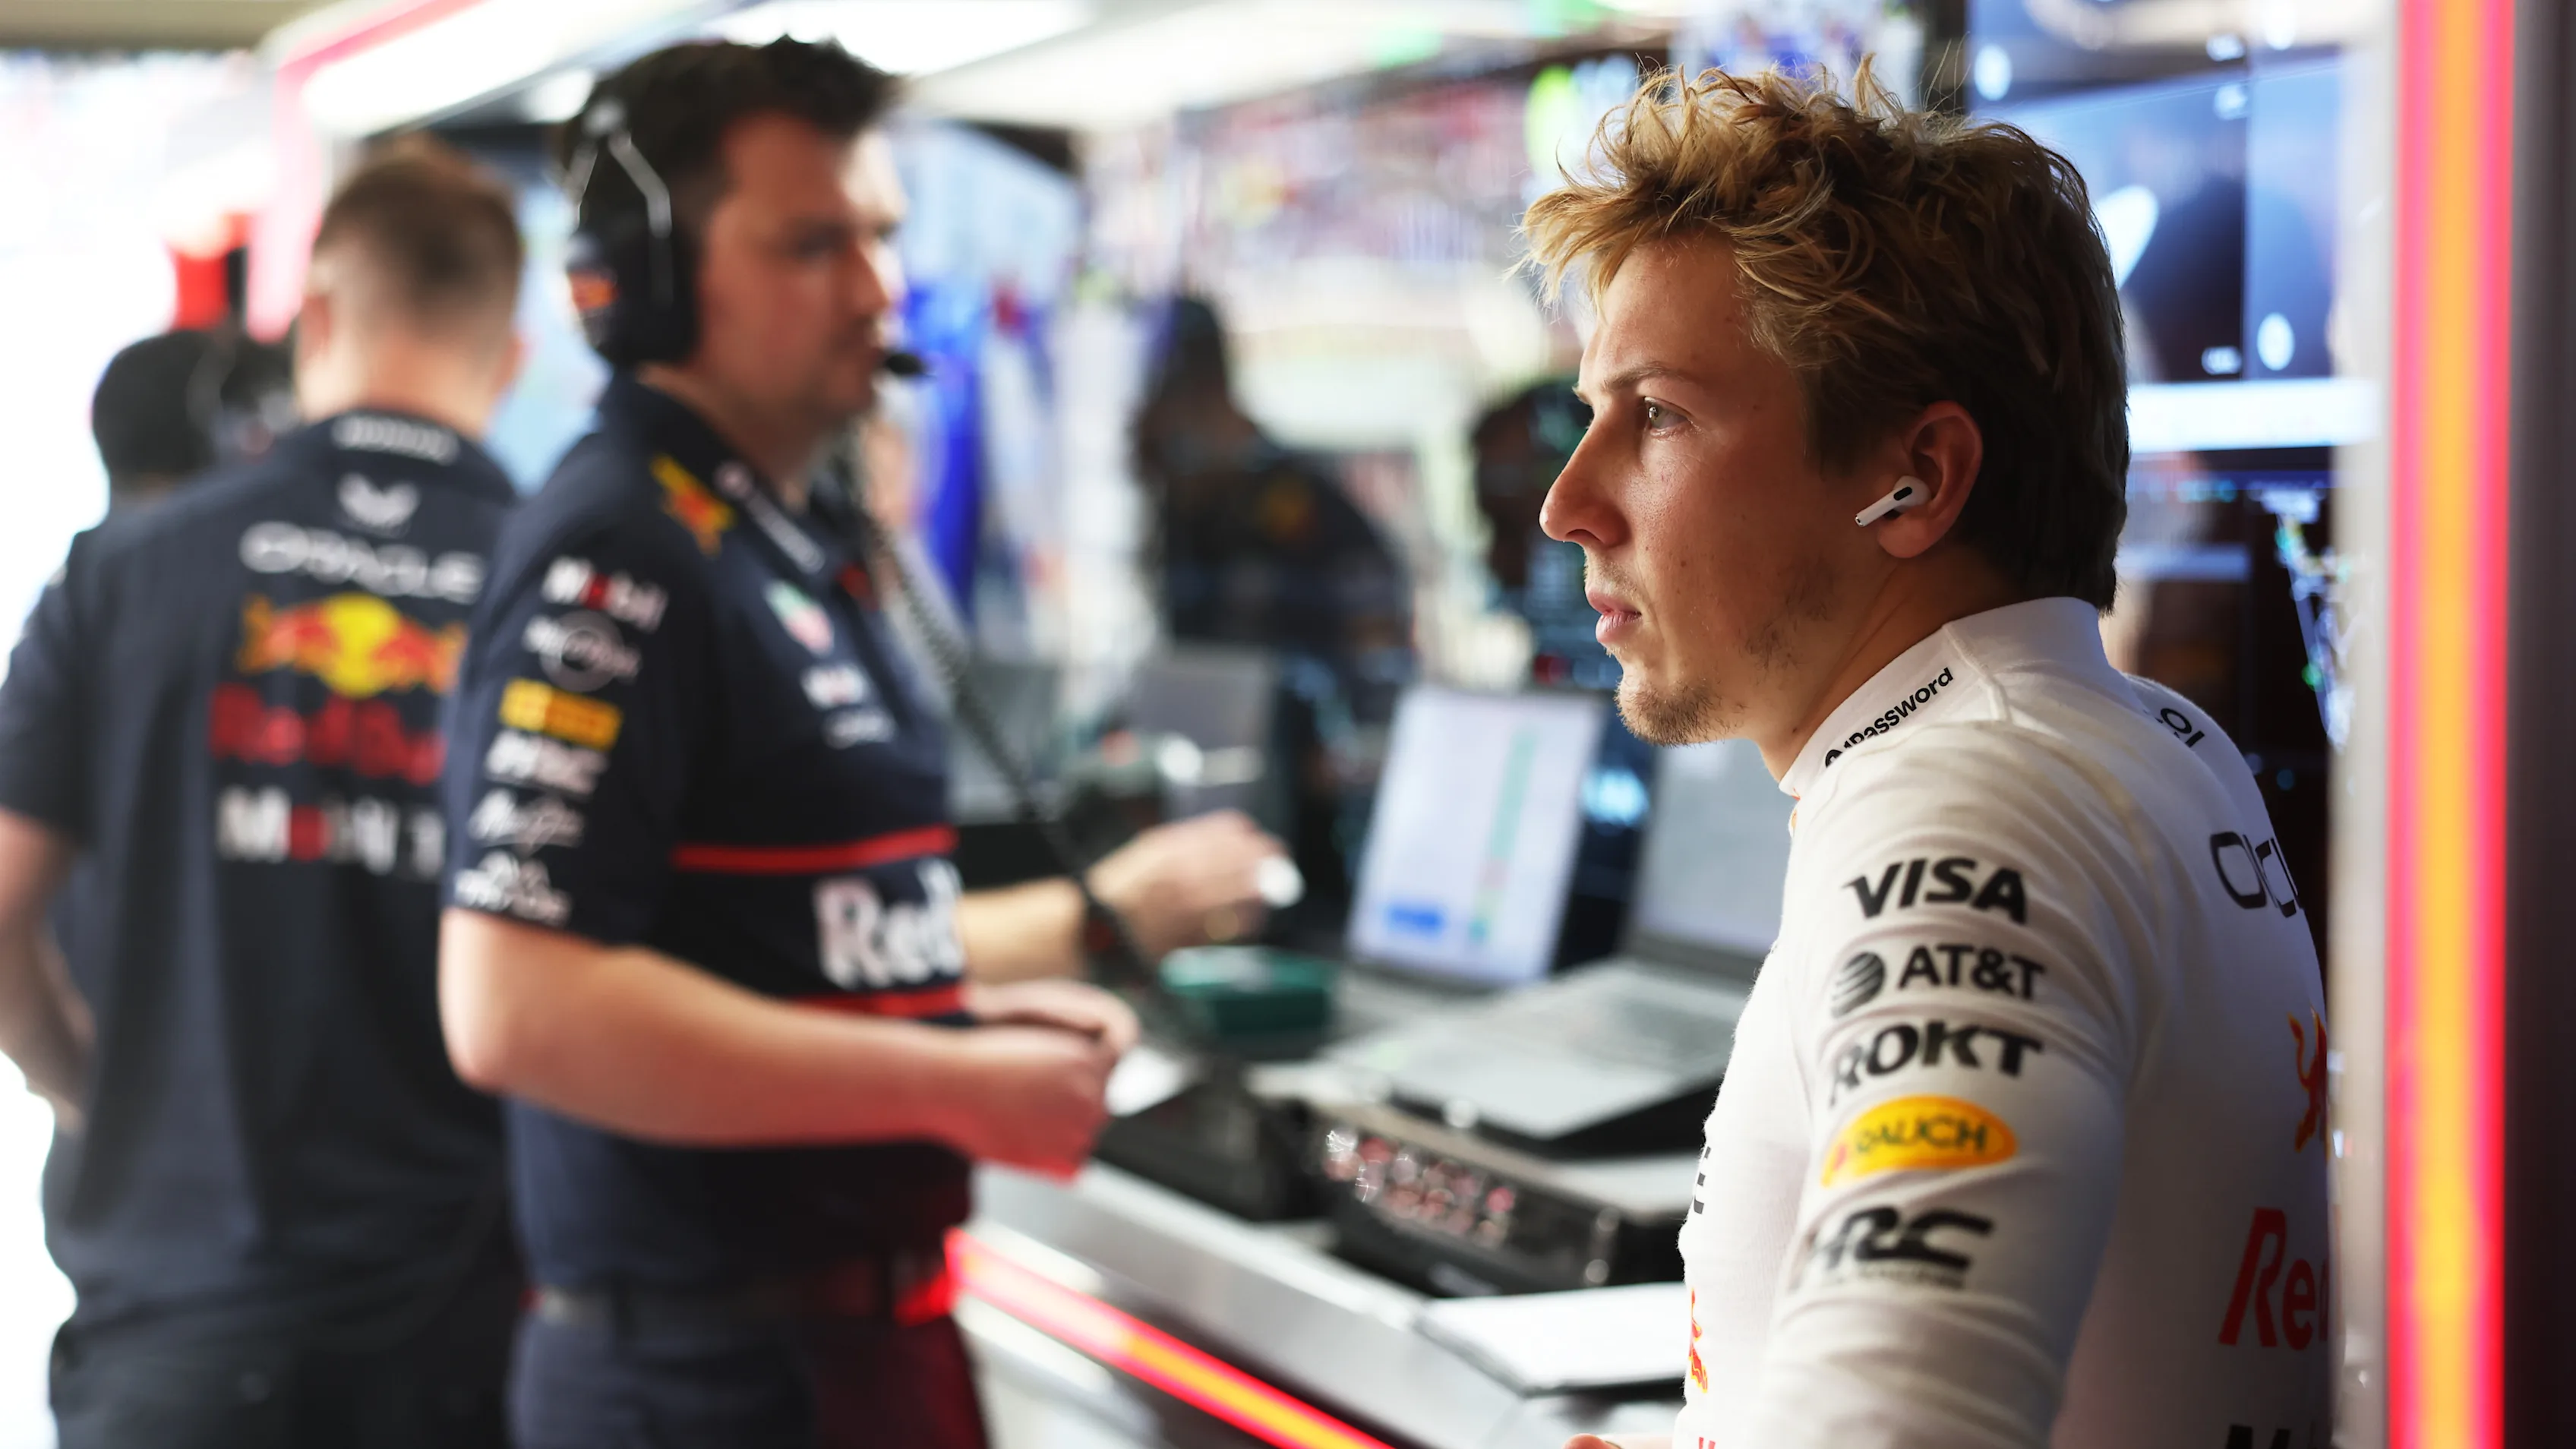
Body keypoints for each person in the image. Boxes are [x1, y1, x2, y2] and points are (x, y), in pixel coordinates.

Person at [431, 39, 1283, 1449]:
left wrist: (965, 1008)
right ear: (642, 281)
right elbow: (515, 1004)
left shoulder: (787, 534)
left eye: (880, 237)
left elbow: (799, 941)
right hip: (703, 1379)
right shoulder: (620, 551)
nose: (877, 292)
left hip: (854, 1355)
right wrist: (945, 1077)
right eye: (810, 245)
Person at [1524, 69, 2332, 1448]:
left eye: (1656, 413)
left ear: (1916, 477)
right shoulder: (2139, 740)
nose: (1567, 502)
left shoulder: (1965, 806)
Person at [0, 143, 529, 1448]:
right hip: (475, 1323)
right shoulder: (566, 587)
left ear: (315, 322)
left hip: (180, 1319)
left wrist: (96, 1088)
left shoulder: (129, 569)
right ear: (507, 356)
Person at [1132, 295, 1413, 929]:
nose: (1139, 434)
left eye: (1153, 409)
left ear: (1200, 397)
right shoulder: (1187, 517)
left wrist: (1335, 756)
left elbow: (1379, 679)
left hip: (1306, 849)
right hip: (1200, 835)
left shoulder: (1311, 519)